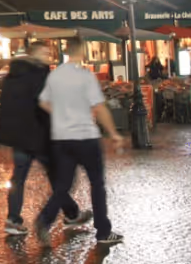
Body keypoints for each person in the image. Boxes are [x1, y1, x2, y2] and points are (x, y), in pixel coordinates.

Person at [0, 41, 92, 236]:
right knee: (58, 175)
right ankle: (71, 215)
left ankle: (13, 219)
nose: (49, 55)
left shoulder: (12, 75)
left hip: (19, 135)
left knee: (19, 178)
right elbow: (47, 103)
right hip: (38, 135)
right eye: (45, 52)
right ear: (34, 53)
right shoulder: (39, 74)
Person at [34, 38, 125, 247]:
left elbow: (43, 102)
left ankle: (44, 220)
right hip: (86, 136)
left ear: (66, 52)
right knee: (97, 184)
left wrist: (60, 115)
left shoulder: (54, 76)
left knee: (62, 186)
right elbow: (100, 107)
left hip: (61, 138)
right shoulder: (86, 76)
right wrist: (113, 133)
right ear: (82, 52)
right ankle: (103, 231)